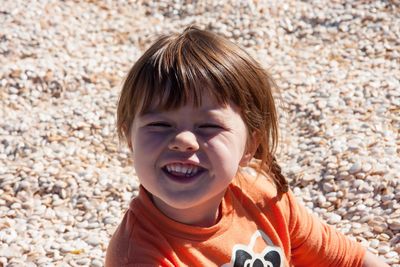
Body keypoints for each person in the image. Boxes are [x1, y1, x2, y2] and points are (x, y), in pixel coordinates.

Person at [105, 26, 389, 266]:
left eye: (209, 127)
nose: (183, 141)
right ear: (129, 136)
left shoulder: (261, 195)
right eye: (159, 125)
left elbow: (348, 259)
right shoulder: (140, 255)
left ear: (249, 146)